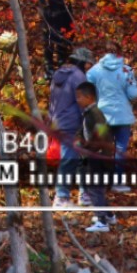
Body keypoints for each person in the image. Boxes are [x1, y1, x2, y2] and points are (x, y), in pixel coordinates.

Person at [86, 41, 137, 192]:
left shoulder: (94, 71)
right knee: (120, 149)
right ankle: (117, 182)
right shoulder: (126, 71)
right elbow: (133, 94)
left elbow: (88, 93)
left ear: (103, 53)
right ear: (119, 53)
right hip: (122, 116)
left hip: (102, 115)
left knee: (101, 147)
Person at [48, 46, 93, 205]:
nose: (89, 66)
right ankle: (61, 196)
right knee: (70, 158)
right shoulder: (79, 76)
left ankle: (83, 194)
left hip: (57, 120)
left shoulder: (58, 74)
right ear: (81, 61)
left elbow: (52, 99)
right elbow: (83, 101)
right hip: (72, 122)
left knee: (74, 157)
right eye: (88, 63)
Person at [72, 81, 116, 231]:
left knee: (94, 188)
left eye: (79, 97)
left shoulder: (95, 113)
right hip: (97, 154)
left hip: (99, 156)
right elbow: (83, 131)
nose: (77, 100)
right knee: (98, 187)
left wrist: (88, 146)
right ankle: (109, 215)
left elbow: (101, 134)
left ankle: (101, 221)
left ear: (89, 97)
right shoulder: (89, 113)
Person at [41, 0, 75, 79]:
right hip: (50, 14)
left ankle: (60, 64)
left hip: (63, 15)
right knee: (49, 42)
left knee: (63, 42)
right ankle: (49, 68)